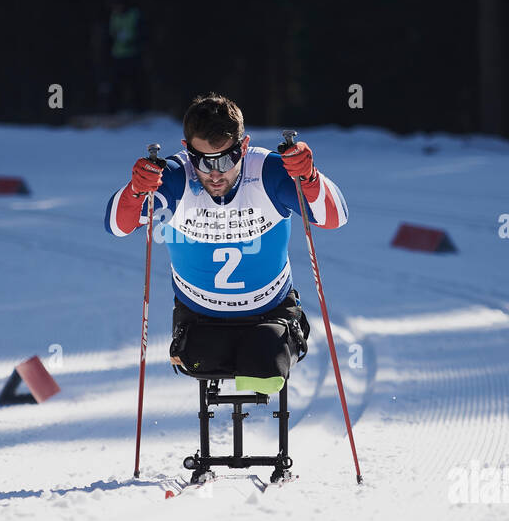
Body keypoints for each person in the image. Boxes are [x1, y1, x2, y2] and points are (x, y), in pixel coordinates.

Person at [103, 92, 349, 394]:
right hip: (199, 316)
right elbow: (117, 226)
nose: (215, 172)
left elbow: (334, 217)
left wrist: (309, 178)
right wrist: (136, 191)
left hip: (269, 311)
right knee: (200, 362)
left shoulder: (268, 172)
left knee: (266, 369)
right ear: (186, 149)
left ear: (243, 146)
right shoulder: (174, 177)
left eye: (227, 158)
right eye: (202, 161)